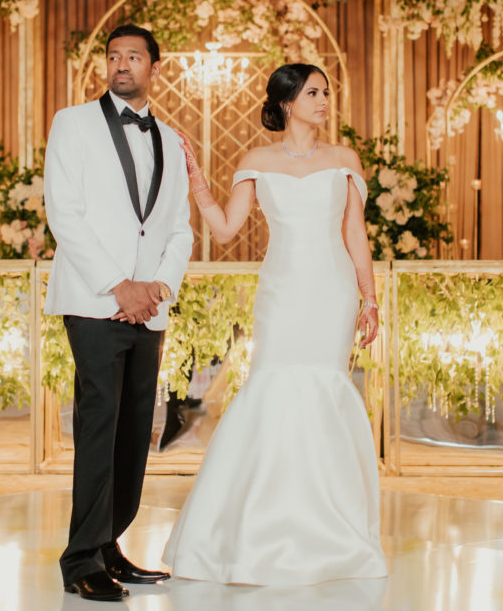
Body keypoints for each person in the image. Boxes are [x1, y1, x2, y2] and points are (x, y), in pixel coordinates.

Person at [163, 63, 387, 585]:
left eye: (326, 92)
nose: (325, 101)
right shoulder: (257, 161)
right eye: (313, 93)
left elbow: (355, 233)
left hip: (332, 291)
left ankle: (330, 525)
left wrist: (369, 299)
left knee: (325, 390)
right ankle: (258, 527)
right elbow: (223, 232)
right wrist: (196, 180)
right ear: (287, 102)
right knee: (273, 388)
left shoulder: (344, 160)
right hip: (282, 290)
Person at [44, 24, 193, 601]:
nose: (122, 65)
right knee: (99, 425)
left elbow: (179, 227)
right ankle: (80, 559)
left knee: (135, 430)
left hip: (148, 307)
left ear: (156, 67)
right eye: (114, 56)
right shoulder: (72, 123)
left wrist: (158, 287)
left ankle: (110, 547)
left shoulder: (172, 139)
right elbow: (66, 213)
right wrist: (118, 285)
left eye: (134, 56)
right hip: (93, 299)